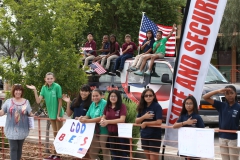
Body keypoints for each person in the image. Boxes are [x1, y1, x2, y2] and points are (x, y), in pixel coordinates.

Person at [26, 72, 64, 160]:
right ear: (45, 79)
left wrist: (58, 115)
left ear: (54, 79)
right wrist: (35, 90)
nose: (49, 80)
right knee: (55, 133)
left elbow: (60, 101)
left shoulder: (57, 86)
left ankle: (58, 155)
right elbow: (38, 101)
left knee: (58, 134)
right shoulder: (44, 88)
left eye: (51, 78)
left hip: (58, 114)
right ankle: (55, 154)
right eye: (48, 78)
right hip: (51, 114)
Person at [203, 85, 240, 160]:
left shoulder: (238, 107)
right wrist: (218, 91)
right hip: (222, 138)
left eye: (231, 93)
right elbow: (205, 97)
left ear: (235, 94)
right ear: (224, 95)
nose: (230, 95)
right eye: (227, 93)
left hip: (233, 139)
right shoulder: (221, 105)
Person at [0, 84, 34, 160]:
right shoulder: (8, 101)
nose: (18, 92)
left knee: (19, 148)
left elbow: (30, 112)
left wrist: (33, 115)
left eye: (20, 90)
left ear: (22, 92)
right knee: (13, 148)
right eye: (16, 90)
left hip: (22, 129)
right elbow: (2, 112)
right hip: (11, 129)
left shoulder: (26, 102)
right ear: (13, 91)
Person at [79, 89, 111, 160]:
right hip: (94, 131)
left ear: (101, 96)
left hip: (104, 131)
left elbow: (101, 117)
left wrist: (87, 120)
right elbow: (88, 115)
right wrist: (81, 118)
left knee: (105, 151)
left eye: (97, 96)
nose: (95, 97)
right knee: (92, 152)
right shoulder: (92, 104)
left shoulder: (104, 103)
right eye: (93, 96)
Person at [173, 95, 205, 160]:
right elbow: (174, 126)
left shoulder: (197, 117)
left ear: (194, 105)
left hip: (195, 144)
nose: (188, 105)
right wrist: (186, 122)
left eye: (190, 103)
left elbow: (202, 131)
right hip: (185, 143)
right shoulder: (183, 116)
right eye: (187, 103)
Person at [100, 90, 129, 160]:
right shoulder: (107, 106)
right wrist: (102, 120)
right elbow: (103, 116)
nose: (113, 98)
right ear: (109, 97)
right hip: (111, 134)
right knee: (114, 154)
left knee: (123, 155)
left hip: (121, 134)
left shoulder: (122, 106)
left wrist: (107, 122)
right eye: (111, 96)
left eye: (115, 96)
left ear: (118, 97)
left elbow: (122, 120)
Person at [135, 88, 162, 160]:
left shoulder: (157, 106)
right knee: (148, 157)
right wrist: (144, 117)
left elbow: (159, 122)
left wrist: (146, 123)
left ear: (153, 96)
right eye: (146, 96)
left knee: (154, 158)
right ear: (143, 97)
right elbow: (136, 121)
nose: (148, 97)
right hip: (144, 135)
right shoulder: (142, 106)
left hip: (154, 136)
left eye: (150, 95)